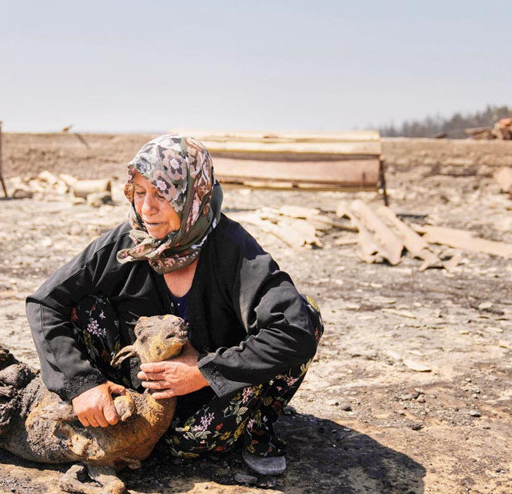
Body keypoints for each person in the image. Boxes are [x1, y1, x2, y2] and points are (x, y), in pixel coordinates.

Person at [27, 134, 323, 475]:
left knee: (306, 314)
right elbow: (44, 302)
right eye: (140, 193)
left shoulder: (233, 250)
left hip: (211, 401)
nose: (146, 209)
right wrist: (82, 385)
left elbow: (295, 329)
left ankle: (256, 428)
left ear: (193, 197)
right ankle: (112, 415)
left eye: (162, 194)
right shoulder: (128, 242)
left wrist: (203, 371)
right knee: (85, 306)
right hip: (137, 400)